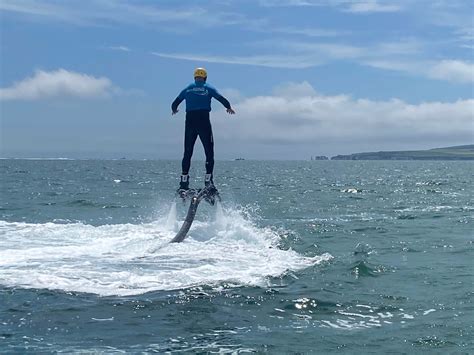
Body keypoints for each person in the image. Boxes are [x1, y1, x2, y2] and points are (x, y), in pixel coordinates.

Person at [171, 67, 235, 195]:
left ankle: (184, 183)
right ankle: (208, 181)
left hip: (189, 121)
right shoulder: (208, 87)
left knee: (188, 151)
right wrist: (228, 107)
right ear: (205, 77)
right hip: (203, 121)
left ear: (195, 77)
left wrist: (174, 110)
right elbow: (221, 98)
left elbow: (175, 103)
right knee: (209, 151)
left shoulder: (187, 88)